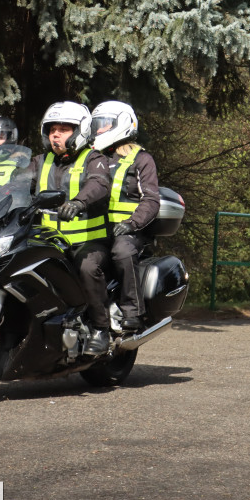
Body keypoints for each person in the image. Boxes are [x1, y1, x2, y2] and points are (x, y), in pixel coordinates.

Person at [28, 101, 112, 355]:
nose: (56, 134)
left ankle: (100, 328)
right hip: (49, 241)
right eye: (52, 129)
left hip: (87, 242)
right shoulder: (39, 161)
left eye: (64, 129)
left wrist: (78, 202)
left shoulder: (94, 159)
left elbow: (99, 184)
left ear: (80, 131)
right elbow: (15, 185)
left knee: (87, 269)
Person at [90, 100, 160, 332]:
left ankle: (133, 312)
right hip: (94, 228)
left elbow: (151, 199)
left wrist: (131, 223)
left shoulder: (141, 159)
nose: (99, 129)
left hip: (129, 231)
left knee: (122, 252)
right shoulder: (89, 157)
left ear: (122, 124)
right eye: (96, 124)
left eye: (104, 124)